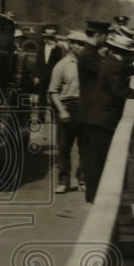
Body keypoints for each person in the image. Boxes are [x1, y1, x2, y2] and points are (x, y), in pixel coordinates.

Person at [77, 31, 134, 203]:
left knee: (96, 160)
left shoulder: (111, 62)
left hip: (97, 117)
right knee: (96, 161)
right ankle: (93, 197)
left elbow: (120, 78)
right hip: (100, 119)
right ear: (124, 53)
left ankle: (94, 195)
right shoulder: (113, 65)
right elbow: (118, 90)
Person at [47, 30, 90, 193]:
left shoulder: (88, 65)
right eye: (77, 43)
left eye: (83, 44)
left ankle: (83, 179)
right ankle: (64, 180)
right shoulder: (62, 65)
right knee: (64, 147)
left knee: (85, 146)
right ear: (70, 44)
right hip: (66, 106)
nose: (80, 47)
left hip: (84, 107)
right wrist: (62, 110)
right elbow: (53, 91)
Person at [32, 24, 64, 123]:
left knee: (53, 96)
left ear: (53, 38)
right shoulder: (41, 49)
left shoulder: (57, 49)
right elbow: (38, 63)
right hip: (42, 76)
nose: (48, 39)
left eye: (50, 38)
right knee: (41, 98)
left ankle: (55, 117)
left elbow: (59, 63)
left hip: (53, 76)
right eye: (46, 37)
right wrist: (36, 76)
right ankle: (41, 117)